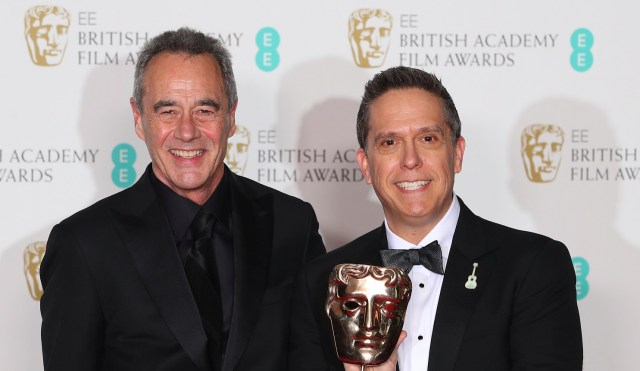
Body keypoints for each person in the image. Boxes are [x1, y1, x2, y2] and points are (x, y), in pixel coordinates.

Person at [40, 27, 325, 371]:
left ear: (231, 117)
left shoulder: (292, 225)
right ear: (139, 119)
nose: (187, 131)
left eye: (205, 109)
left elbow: (316, 358)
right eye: (167, 110)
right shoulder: (84, 245)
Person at [288, 66, 582, 370]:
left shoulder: (532, 266)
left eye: (428, 138)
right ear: (365, 165)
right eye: (390, 142)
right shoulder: (322, 282)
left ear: (456, 153)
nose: (411, 160)